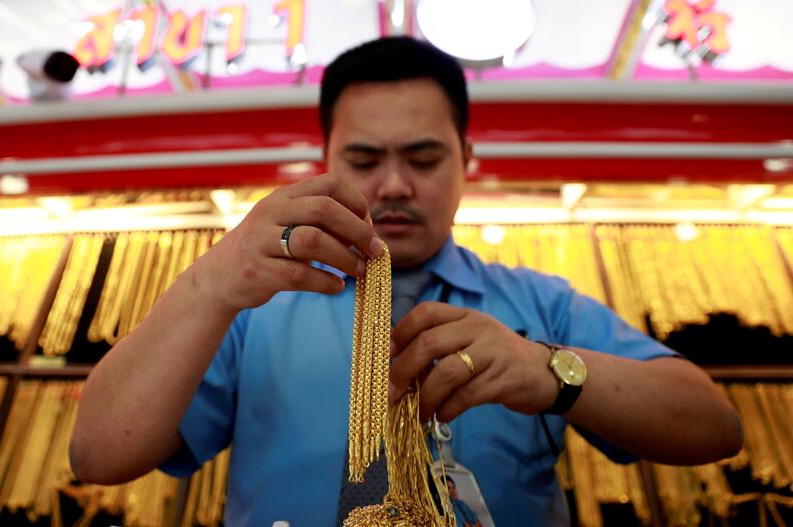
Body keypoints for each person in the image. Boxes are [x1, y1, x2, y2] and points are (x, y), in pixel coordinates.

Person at [70, 36, 743, 526]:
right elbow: (97, 453)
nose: (393, 185)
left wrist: (551, 371)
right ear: (325, 159)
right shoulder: (250, 309)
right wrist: (208, 281)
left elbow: (714, 426)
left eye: (423, 157)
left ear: (466, 159)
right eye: (364, 159)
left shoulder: (539, 304)